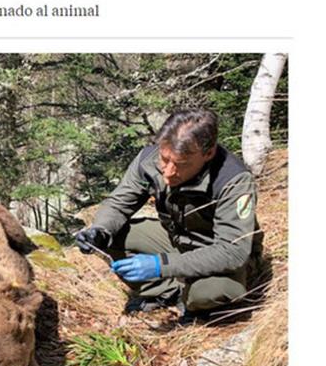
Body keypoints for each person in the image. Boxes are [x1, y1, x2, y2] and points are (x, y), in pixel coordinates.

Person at [75, 109, 262, 321]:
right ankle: (171, 293)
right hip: (178, 241)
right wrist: (99, 231)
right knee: (111, 236)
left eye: (181, 164)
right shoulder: (148, 160)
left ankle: (193, 301)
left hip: (217, 255)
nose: (168, 172)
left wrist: (160, 266)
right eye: (165, 159)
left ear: (208, 153)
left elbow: (233, 251)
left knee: (213, 292)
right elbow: (119, 203)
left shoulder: (233, 180)